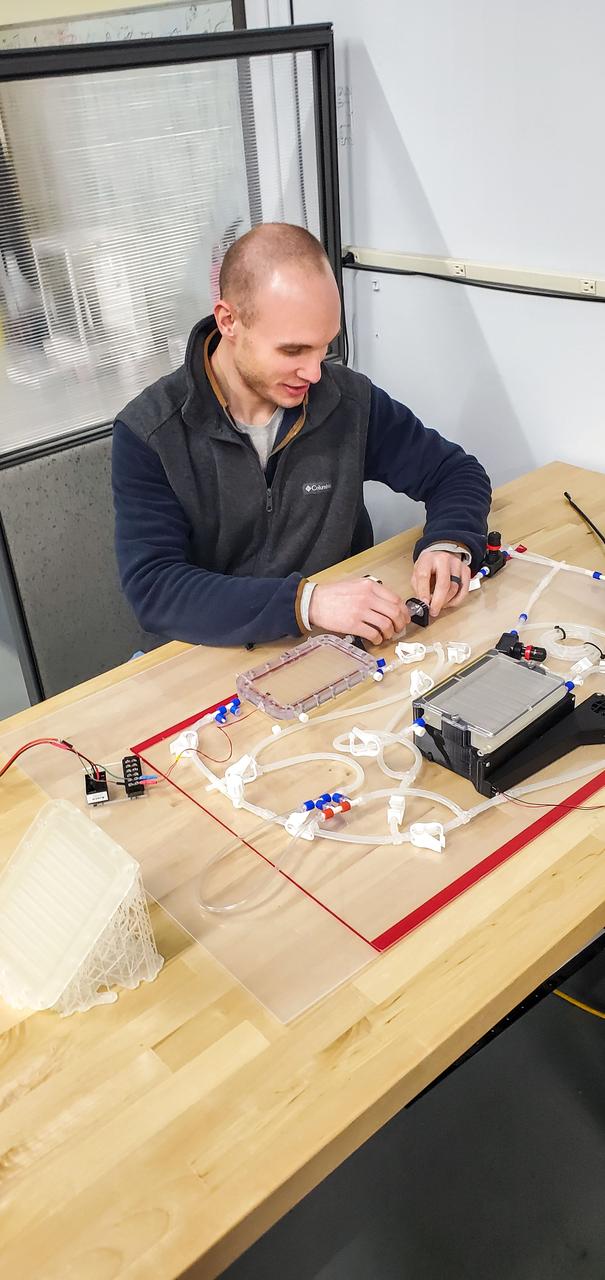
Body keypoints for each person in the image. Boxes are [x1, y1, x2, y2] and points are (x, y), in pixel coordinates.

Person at [112, 223, 491, 648]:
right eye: (293, 350)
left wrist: (449, 541)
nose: (314, 373)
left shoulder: (347, 401)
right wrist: (306, 603)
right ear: (229, 321)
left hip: (341, 651)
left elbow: (454, 473)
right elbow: (156, 589)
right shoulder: (150, 434)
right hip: (212, 657)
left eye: (324, 345)